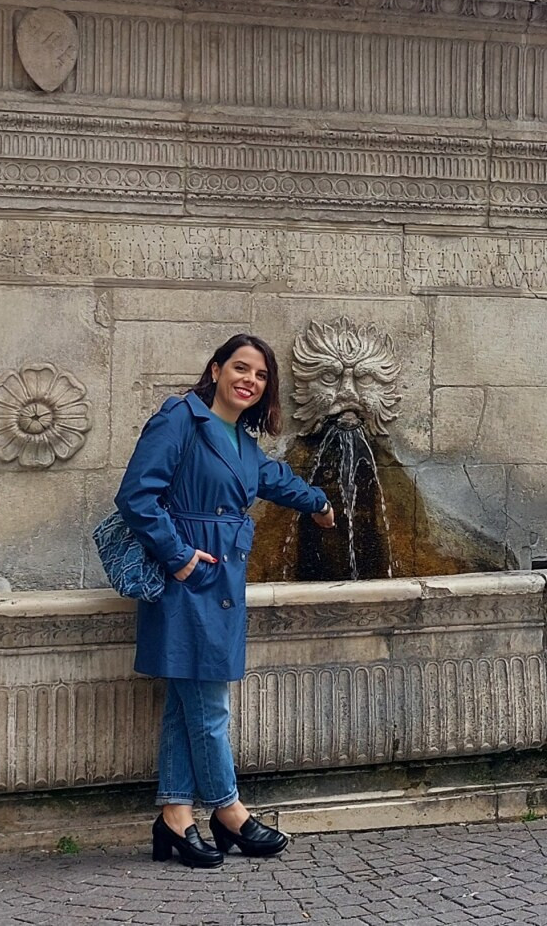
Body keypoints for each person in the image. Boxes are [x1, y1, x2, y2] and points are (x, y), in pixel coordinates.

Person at [116, 334, 336, 868]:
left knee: (185, 701)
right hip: (188, 581)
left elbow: (273, 479)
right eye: (241, 368)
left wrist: (319, 502)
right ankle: (230, 811)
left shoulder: (242, 442)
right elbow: (136, 495)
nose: (249, 381)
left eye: (260, 376)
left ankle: (174, 817)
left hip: (221, 584)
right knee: (210, 704)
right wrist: (178, 557)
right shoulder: (181, 419)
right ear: (215, 370)